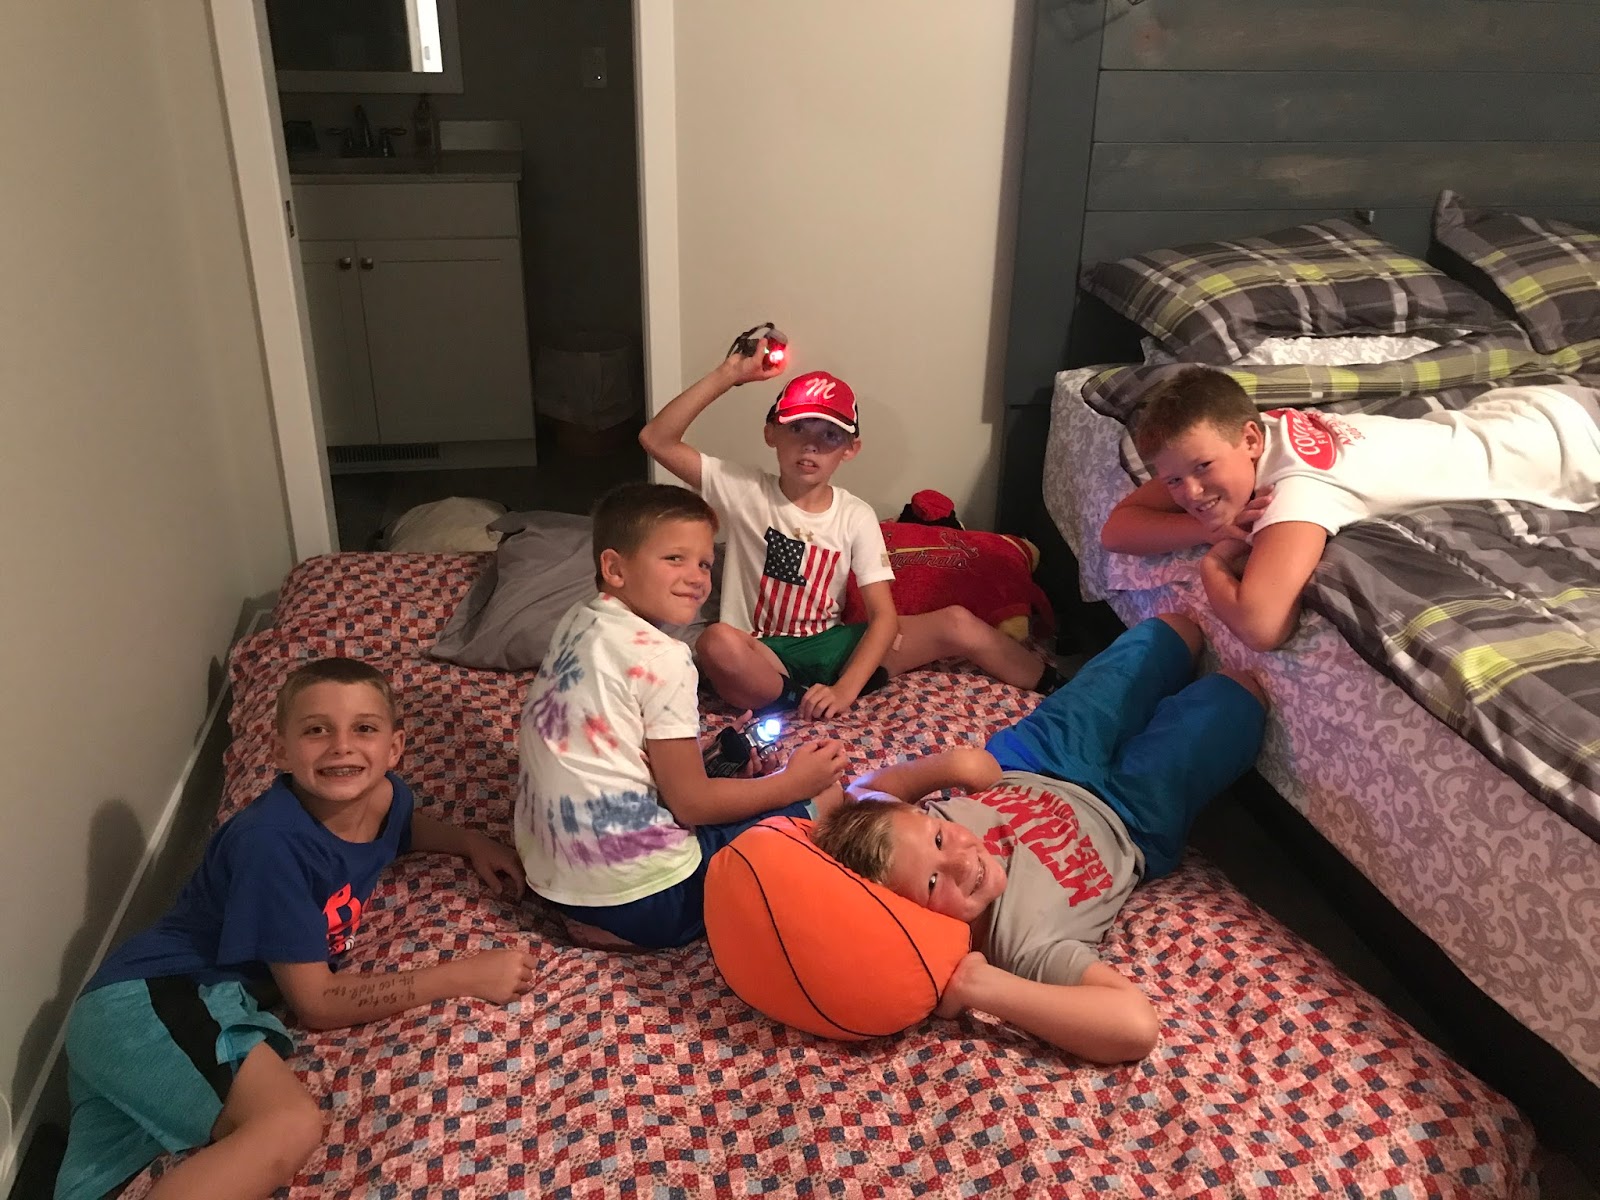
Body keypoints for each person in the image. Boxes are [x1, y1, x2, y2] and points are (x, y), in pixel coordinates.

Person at [54, 658, 538, 1200]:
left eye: (364, 728)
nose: (342, 747)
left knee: (101, 1182)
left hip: (141, 1011)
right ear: (280, 751)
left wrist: (470, 842)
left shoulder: (385, 797)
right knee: (288, 1124)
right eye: (316, 730)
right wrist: (463, 976)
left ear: (394, 748)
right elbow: (317, 1002)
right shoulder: (271, 846)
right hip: (152, 997)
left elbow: (400, 828)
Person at [814, 614, 1266, 1063]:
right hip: (1129, 817)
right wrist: (978, 986)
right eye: (933, 883)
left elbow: (862, 795)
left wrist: (951, 767)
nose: (961, 860)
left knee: (1174, 633)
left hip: (1038, 758)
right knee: (1242, 696)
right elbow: (1135, 1026)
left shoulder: (899, 835)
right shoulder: (1022, 946)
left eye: (938, 841)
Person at [639, 338, 1066, 718]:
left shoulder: (855, 514)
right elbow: (657, 438)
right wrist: (730, 373)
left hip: (830, 645)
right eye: (797, 428)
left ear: (850, 449)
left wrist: (846, 688)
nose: (811, 444)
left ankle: (1062, 689)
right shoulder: (745, 490)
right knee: (716, 643)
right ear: (771, 434)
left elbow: (884, 617)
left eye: (830, 435)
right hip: (761, 651)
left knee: (956, 621)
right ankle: (792, 699)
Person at [514, 482, 848, 952]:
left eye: (705, 564)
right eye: (675, 559)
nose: (697, 578)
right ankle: (641, 933)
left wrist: (705, 765)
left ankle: (612, 919)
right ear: (615, 568)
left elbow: (617, 743)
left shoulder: (579, 621)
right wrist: (793, 783)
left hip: (555, 878)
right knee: (829, 797)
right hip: (649, 898)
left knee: (728, 785)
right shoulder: (664, 658)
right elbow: (691, 804)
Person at [1100, 366, 1600, 651]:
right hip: (1530, 412)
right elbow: (1116, 530)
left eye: (1202, 468)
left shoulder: (1297, 491)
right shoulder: (1260, 432)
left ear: (1250, 439)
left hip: (1573, 451)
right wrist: (1206, 530)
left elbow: (1260, 626)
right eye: (1173, 480)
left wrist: (1214, 564)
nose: (1189, 493)